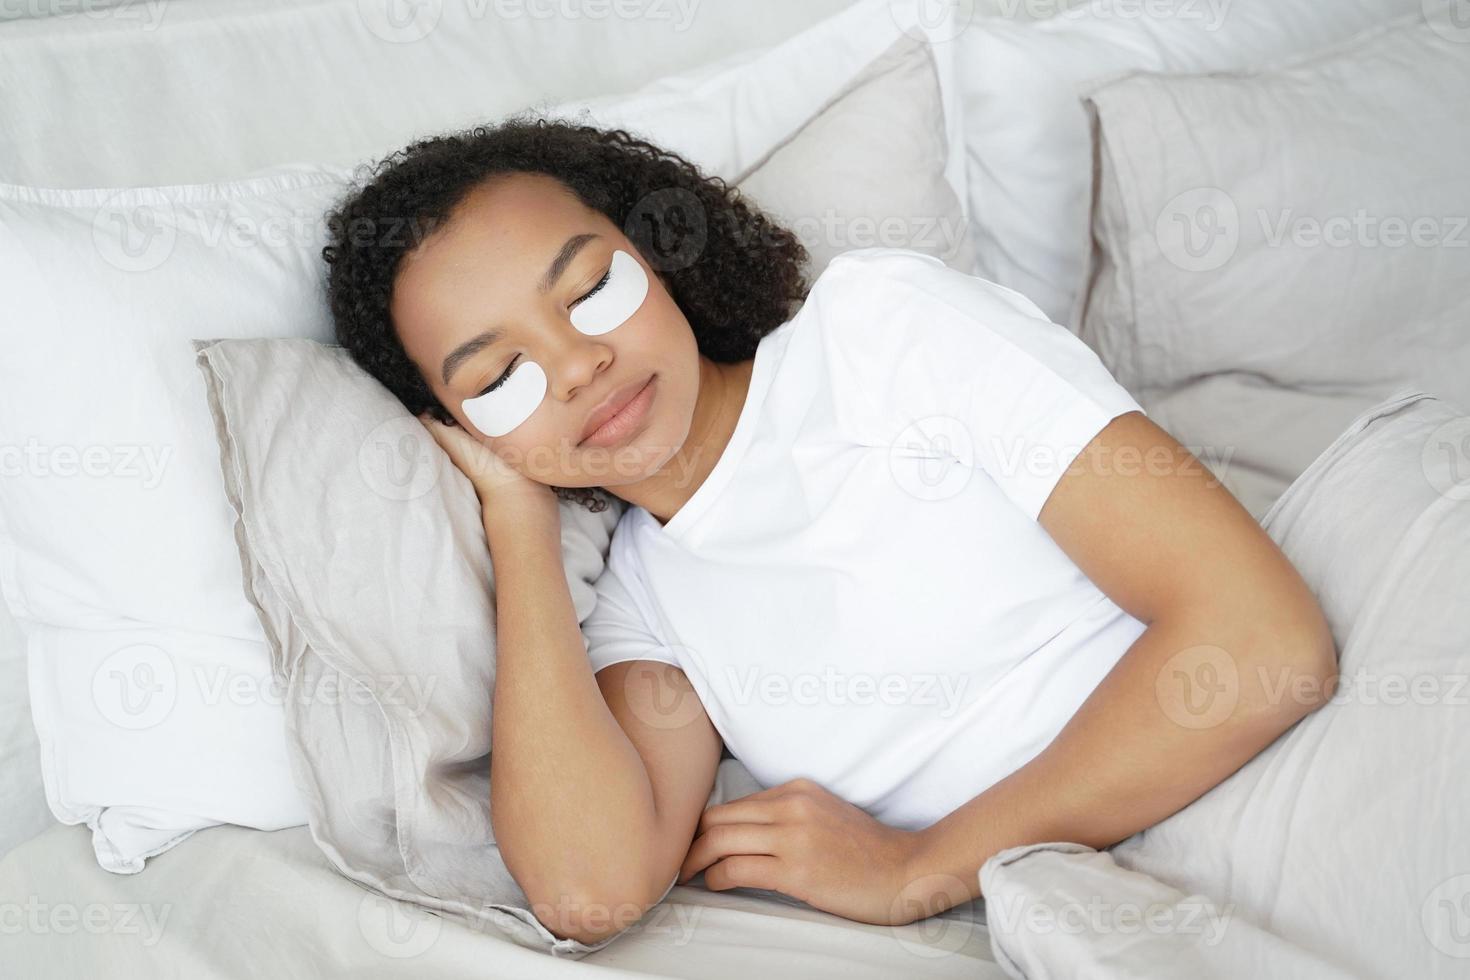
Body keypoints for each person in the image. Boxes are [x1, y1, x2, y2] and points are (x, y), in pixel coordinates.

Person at [322, 115, 1338, 947]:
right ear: (460, 431)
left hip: (1291, 778)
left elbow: (1265, 642)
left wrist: (919, 864)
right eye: (498, 378)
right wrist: (520, 527)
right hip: (1117, 913)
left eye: (590, 287)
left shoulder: (881, 331)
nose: (578, 363)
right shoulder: (638, 596)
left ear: (657, 252)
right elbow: (588, 888)